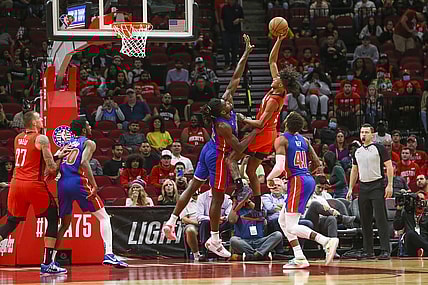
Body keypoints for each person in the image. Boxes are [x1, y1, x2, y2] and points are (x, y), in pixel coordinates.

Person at [162, 35, 257, 258]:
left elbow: (235, 78)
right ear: (221, 112)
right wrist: (254, 132)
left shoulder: (224, 106)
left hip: (208, 149)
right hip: (218, 154)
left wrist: (246, 53)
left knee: (193, 186)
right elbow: (238, 149)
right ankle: (214, 239)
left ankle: (171, 221)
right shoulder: (223, 125)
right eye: (226, 104)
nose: (229, 100)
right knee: (217, 197)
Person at [266, 112, 339, 268]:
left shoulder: (281, 139)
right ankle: (299, 257)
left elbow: (279, 167)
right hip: (306, 179)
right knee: (283, 221)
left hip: (299, 181)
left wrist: (269, 178)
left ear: (286, 123)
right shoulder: (305, 140)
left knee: (292, 226)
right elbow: (318, 162)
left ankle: (326, 241)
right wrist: (304, 174)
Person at [0, 111, 69, 275]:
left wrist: (54, 155)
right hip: (33, 185)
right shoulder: (42, 138)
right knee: (53, 217)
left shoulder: (18, 138)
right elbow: (51, 168)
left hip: (16, 184)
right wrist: (60, 161)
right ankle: (47, 264)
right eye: (39, 118)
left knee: (12, 221)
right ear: (33, 123)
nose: (41, 120)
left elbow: (32, 158)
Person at [237, 32, 297, 217]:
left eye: (278, 78)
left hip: (263, 133)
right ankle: (258, 205)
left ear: (283, 85)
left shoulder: (274, 100)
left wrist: (243, 119)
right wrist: (279, 40)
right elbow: (272, 60)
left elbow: (261, 123)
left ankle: (239, 189)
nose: (275, 77)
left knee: (232, 156)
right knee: (251, 170)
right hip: (269, 134)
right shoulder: (277, 87)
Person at [56, 118, 128, 268]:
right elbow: (83, 162)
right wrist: (94, 185)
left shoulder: (66, 144)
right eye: (87, 124)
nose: (90, 126)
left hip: (62, 183)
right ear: (83, 129)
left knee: (64, 224)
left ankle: (49, 259)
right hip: (78, 181)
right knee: (104, 217)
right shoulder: (89, 142)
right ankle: (109, 254)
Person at [347, 123, 393, 260]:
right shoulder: (357, 151)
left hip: (377, 185)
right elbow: (354, 170)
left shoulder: (379, 148)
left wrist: (389, 185)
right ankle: (368, 251)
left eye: (366, 132)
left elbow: (389, 166)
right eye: (362, 132)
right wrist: (350, 188)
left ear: (372, 135)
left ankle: (385, 250)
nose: (363, 135)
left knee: (380, 219)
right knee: (365, 220)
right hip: (363, 187)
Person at [228, 194, 283, 261]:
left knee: (278, 234)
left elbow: (262, 213)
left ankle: (252, 255)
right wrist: (235, 203)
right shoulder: (238, 211)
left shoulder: (258, 210)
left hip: (260, 241)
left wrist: (248, 200)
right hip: (244, 241)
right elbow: (231, 220)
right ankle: (259, 254)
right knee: (233, 240)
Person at [393, 191, 428, 257]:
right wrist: (398, 210)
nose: (419, 202)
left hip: (424, 240)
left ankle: (423, 251)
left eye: (422, 200)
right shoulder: (407, 213)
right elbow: (397, 227)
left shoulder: (426, 214)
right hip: (411, 245)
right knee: (410, 233)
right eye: (418, 200)